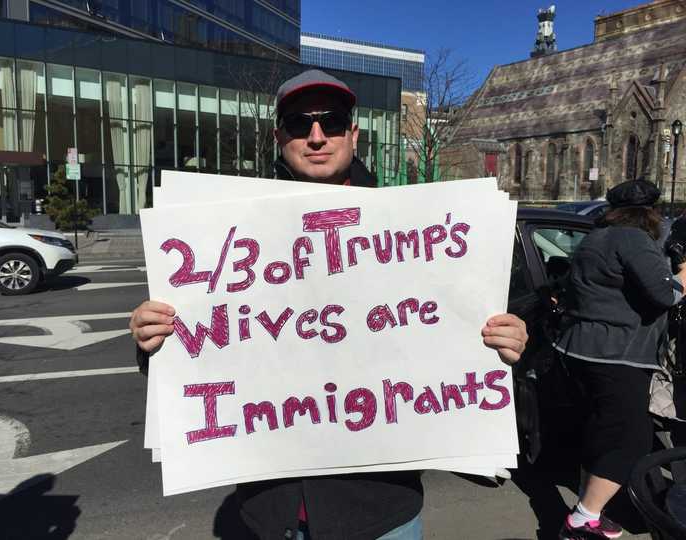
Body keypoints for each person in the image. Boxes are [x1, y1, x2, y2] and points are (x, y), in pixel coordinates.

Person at [130, 69, 529, 540]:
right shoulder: (227, 231)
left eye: (332, 122)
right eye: (300, 124)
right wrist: (153, 337)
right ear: (280, 136)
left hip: (380, 511)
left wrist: (507, 342)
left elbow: (457, 337)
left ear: (353, 134)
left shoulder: (415, 233)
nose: (317, 137)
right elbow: (202, 357)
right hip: (273, 511)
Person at [555, 179, 686, 540]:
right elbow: (664, 295)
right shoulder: (634, 239)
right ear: (651, 212)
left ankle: (592, 510)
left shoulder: (597, 237)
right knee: (631, 441)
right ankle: (582, 520)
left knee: (601, 434)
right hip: (617, 355)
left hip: (582, 350)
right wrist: (683, 275)